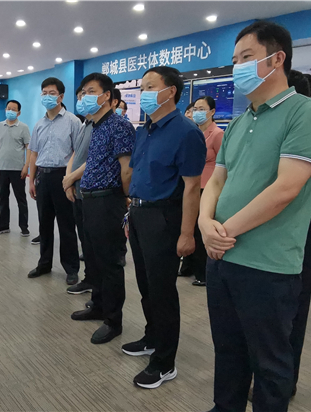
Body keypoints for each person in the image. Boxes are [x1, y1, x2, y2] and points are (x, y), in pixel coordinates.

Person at [199, 21, 311, 412]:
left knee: (270, 363)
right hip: (222, 258)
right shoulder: (240, 121)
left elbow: (286, 189)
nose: (237, 67)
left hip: (268, 265)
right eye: (234, 60)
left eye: (247, 57)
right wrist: (205, 224)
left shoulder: (305, 113)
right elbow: (217, 180)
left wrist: (223, 231)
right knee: (228, 351)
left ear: (277, 59)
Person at [123, 66, 206, 389]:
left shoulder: (186, 132)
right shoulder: (144, 130)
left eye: (149, 87)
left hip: (164, 218)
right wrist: (130, 214)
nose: (143, 93)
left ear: (170, 91)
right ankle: (152, 337)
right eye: (142, 87)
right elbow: (138, 175)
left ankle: (164, 362)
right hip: (139, 214)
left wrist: (187, 233)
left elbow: (192, 187)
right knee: (146, 285)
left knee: (162, 291)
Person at [69, 73, 135, 345]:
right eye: (83, 92)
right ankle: (97, 305)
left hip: (108, 201)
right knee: (94, 258)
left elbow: (126, 169)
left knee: (110, 263)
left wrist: (124, 199)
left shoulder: (119, 125)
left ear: (107, 95)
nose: (85, 97)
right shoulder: (96, 125)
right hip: (90, 199)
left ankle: (113, 320)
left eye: (91, 91)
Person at [28, 77, 82, 285]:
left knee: (66, 225)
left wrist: (71, 180)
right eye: (44, 93)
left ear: (61, 96)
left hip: (63, 177)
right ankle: (44, 263)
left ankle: (71, 268)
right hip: (43, 176)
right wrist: (31, 181)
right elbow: (34, 153)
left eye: (52, 93)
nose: (47, 96)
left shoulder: (73, 121)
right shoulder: (39, 124)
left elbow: (78, 152)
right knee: (44, 223)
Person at [178, 96, 224, 286]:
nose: (197, 112)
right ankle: (188, 266)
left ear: (212, 112)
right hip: (191, 185)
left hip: (208, 187)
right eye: (195, 109)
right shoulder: (193, 132)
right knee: (188, 225)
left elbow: (224, 164)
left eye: (201, 109)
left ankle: (202, 272)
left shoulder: (217, 134)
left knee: (199, 229)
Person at [63, 86, 95, 295]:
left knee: (94, 242)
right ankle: (89, 278)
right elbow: (75, 154)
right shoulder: (84, 124)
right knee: (85, 238)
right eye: (80, 97)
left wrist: (71, 178)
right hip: (78, 189)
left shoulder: (102, 126)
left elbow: (94, 159)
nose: (82, 100)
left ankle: (96, 283)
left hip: (92, 192)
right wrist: (68, 181)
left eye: (86, 95)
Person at [0, 100, 31, 236]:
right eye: (8, 108)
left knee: (21, 199)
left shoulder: (23, 127)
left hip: (18, 169)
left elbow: (28, 148)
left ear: (18, 113)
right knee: (3, 198)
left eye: (14, 109)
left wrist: (26, 166)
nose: (10, 111)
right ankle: (3, 225)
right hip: (2, 168)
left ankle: (24, 226)